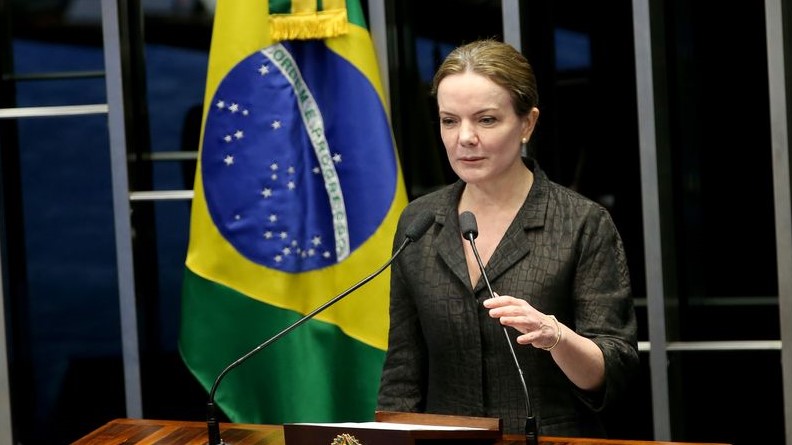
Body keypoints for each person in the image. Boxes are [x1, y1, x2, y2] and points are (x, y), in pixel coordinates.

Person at [376, 39, 639, 437]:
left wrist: (557, 337)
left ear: (527, 124)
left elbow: (614, 372)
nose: (465, 137)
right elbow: (403, 370)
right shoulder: (420, 221)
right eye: (449, 121)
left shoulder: (580, 222)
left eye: (486, 120)